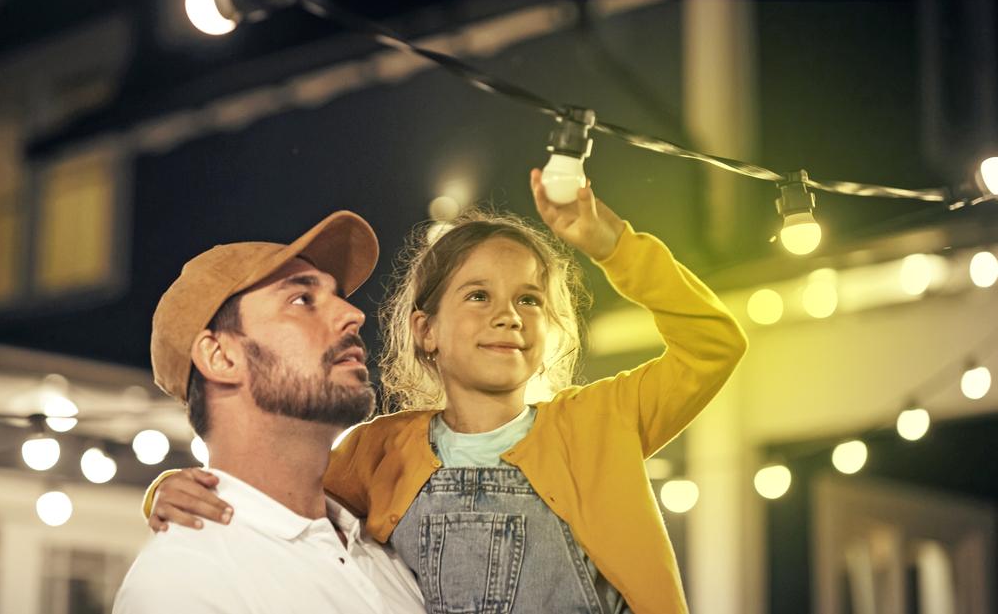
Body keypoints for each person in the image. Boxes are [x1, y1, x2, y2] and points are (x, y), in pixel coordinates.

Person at [145, 170, 749, 613]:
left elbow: (713, 345)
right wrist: (169, 490)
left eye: (530, 300)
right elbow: (280, 498)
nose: (509, 315)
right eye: (479, 295)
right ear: (424, 330)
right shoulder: (380, 452)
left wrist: (614, 244)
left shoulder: (600, 422)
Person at [114, 211, 426, 613]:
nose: (353, 315)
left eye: (339, 297)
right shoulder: (183, 585)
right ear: (221, 356)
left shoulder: (386, 551)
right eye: (302, 300)